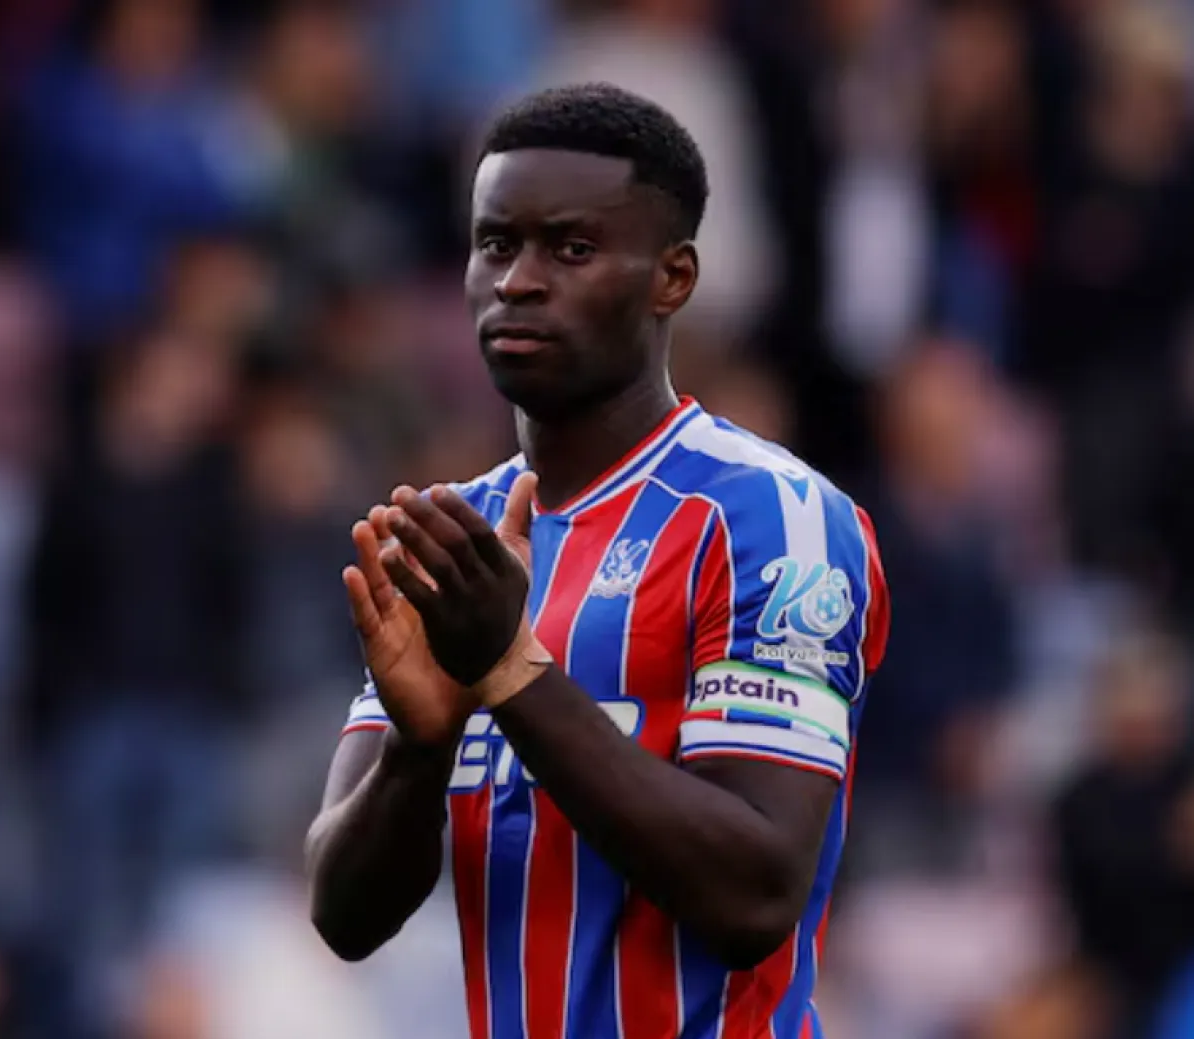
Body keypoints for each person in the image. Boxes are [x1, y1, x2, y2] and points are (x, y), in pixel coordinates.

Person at [305, 83, 891, 1039]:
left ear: (673, 277)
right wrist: (418, 749)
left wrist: (510, 674)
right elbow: (344, 916)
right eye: (496, 244)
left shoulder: (770, 520)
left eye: (571, 249)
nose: (519, 280)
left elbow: (754, 892)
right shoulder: (458, 536)